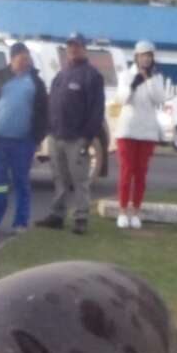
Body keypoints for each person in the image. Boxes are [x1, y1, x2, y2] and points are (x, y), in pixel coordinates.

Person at [36, 33, 105, 236]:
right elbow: (54, 103)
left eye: (77, 46)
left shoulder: (92, 75)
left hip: (77, 138)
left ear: (84, 48)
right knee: (59, 178)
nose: (73, 49)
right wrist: (49, 129)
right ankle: (57, 215)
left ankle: (81, 218)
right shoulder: (62, 74)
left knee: (80, 180)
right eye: (70, 46)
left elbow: (96, 111)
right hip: (57, 135)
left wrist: (87, 138)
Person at [0, 42, 49, 235]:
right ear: (12, 59)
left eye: (27, 58)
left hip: (24, 142)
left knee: (21, 182)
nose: (25, 62)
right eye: (21, 58)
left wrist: (37, 137)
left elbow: (44, 112)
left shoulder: (36, 82)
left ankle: (21, 222)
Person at [114, 40, 164, 230]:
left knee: (141, 172)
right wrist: (134, 84)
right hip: (127, 130)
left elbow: (159, 99)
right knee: (127, 171)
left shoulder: (156, 77)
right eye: (143, 55)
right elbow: (122, 99)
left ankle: (136, 211)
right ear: (136, 57)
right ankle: (122, 211)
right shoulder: (126, 75)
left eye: (149, 55)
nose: (146, 58)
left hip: (147, 131)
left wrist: (148, 80)